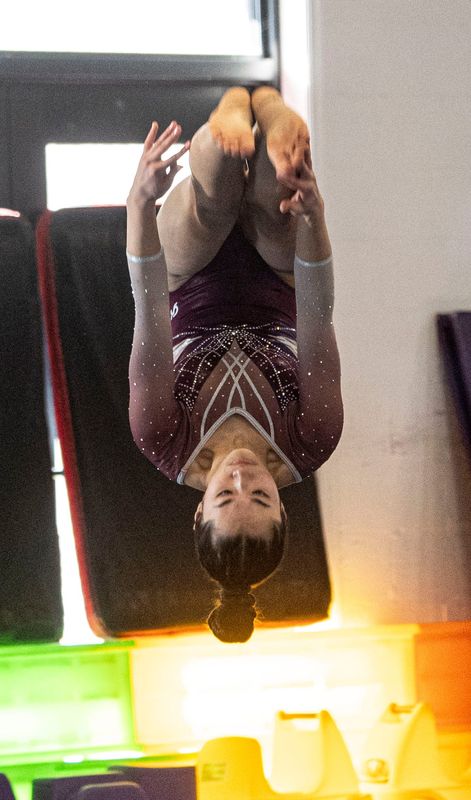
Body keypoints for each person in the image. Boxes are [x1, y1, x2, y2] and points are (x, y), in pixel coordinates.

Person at [126, 86, 343, 643]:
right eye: (262, 496)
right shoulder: (312, 439)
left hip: (185, 274)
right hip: (281, 278)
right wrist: (315, 217)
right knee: (283, 176)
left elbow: (149, 309)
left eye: (226, 496)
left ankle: (232, 108)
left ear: (199, 514)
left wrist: (138, 205)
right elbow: (317, 319)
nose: (243, 477)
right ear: (284, 510)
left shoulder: (163, 438)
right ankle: (267, 104)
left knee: (217, 186)